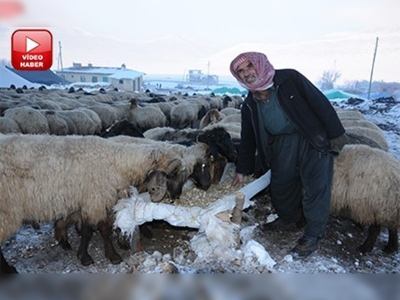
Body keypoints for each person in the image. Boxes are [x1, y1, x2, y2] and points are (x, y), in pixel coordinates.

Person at [230, 51, 348, 258]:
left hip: (311, 138)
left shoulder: (289, 79)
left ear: (260, 64)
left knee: (316, 187)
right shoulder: (249, 102)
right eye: (241, 71)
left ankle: (312, 235)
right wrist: (242, 169)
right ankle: (289, 219)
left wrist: (336, 135)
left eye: (249, 66)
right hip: (282, 143)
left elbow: (319, 102)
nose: (246, 73)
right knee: (280, 184)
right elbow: (248, 136)